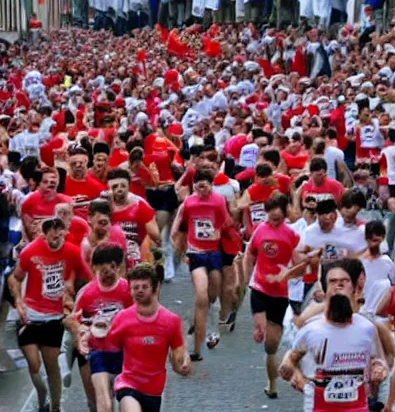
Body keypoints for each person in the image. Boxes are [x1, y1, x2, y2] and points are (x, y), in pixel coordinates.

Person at [8, 217, 93, 412]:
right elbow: (15, 278)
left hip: (54, 317)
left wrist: (76, 300)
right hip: (31, 315)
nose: (56, 237)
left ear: (64, 232)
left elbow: (89, 279)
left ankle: (55, 410)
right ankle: (41, 393)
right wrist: (18, 301)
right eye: (52, 233)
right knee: (34, 364)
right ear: (44, 234)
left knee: (52, 366)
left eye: (60, 232)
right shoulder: (31, 251)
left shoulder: (72, 252)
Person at [279, 259, 383, 412]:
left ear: (354, 288)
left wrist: (378, 369)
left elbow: (376, 359)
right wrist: (295, 375)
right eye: (333, 281)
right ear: (325, 290)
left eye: (344, 281)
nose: (339, 285)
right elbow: (291, 359)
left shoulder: (367, 328)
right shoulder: (311, 329)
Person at [108, 263, 190, 412]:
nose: (139, 290)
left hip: (153, 390)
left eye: (144, 286)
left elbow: (178, 352)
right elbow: (108, 346)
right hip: (128, 383)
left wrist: (183, 363)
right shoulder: (122, 318)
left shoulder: (171, 321)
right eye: (135, 287)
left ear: (155, 287)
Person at [243, 191, 303, 399]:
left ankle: (271, 382)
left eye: (278, 219)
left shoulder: (291, 235)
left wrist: (287, 274)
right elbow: (249, 256)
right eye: (271, 217)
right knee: (262, 334)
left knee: (271, 345)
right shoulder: (260, 230)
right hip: (259, 288)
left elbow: (300, 266)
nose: (273, 222)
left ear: (285, 216)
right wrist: (245, 278)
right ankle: (258, 326)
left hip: (280, 294)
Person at [69, 245, 133, 412]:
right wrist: (81, 333)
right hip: (99, 352)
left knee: (125, 402)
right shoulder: (87, 293)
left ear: (117, 266)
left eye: (113, 268)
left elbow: (138, 316)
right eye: (103, 270)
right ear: (95, 268)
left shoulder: (127, 289)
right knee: (103, 401)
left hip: (124, 352)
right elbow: (74, 319)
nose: (109, 274)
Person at [171, 170, 231, 360]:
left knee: (213, 292)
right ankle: (199, 345)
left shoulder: (219, 201)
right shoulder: (189, 202)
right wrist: (175, 240)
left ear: (211, 185)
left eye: (204, 186)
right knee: (202, 292)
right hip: (195, 252)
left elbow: (225, 221)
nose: (201, 190)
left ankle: (208, 320)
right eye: (197, 186)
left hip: (214, 252)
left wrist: (218, 231)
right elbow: (179, 222)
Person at [107, 168, 160, 269]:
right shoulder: (102, 205)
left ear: (129, 186)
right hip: (110, 255)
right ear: (108, 188)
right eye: (114, 187)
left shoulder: (140, 205)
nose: (119, 189)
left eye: (123, 186)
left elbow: (155, 236)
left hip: (136, 252)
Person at [21, 167, 72, 241]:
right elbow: (29, 232)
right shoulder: (29, 202)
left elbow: (69, 227)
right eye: (45, 182)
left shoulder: (67, 202)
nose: (49, 185)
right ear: (39, 183)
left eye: (53, 182)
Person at [81, 199, 128, 268]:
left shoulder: (117, 233)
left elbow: (122, 268)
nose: (103, 226)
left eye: (105, 222)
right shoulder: (85, 245)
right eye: (100, 222)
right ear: (89, 218)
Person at [64, 146, 105, 218]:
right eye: (74, 163)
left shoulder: (97, 186)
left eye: (81, 163)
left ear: (87, 163)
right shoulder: (60, 185)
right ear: (69, 164)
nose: (77, 166)